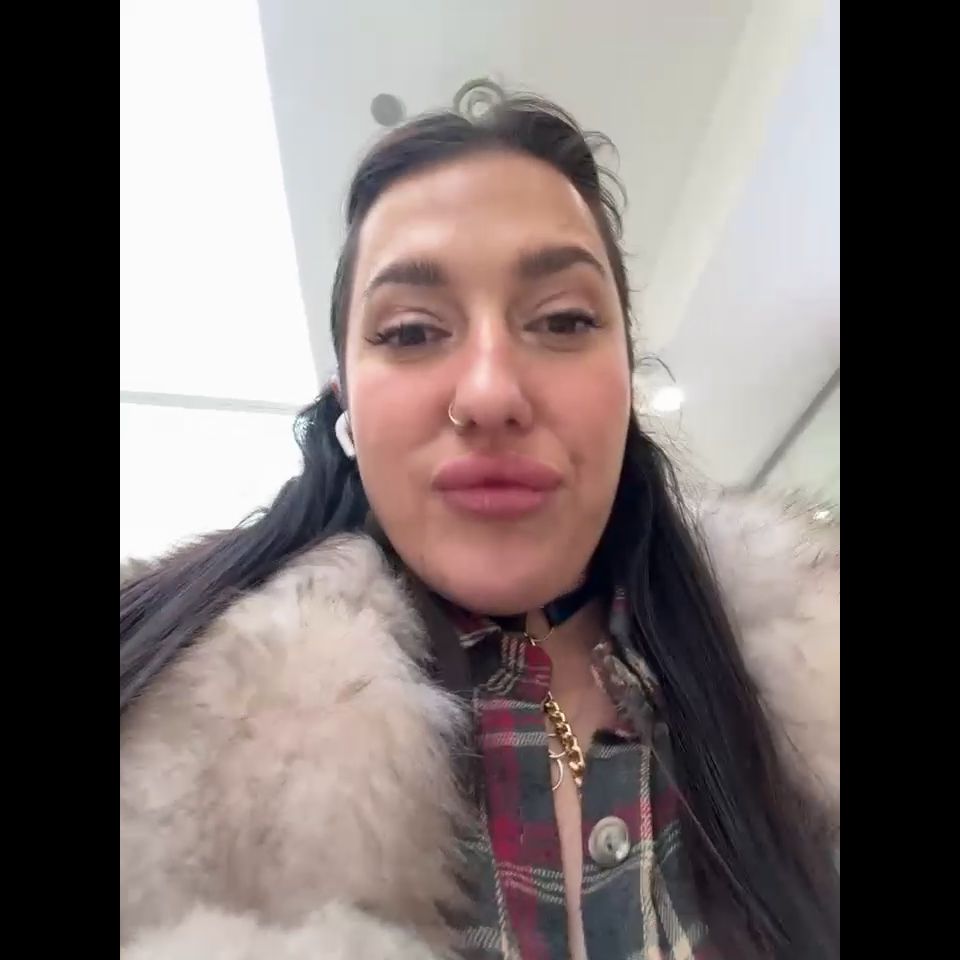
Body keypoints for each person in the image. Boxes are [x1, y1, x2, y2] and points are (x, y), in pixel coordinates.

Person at [120, 97, 839, 960]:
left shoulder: (804, 686)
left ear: (625, 381)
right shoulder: (148, 709)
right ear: (345, 402)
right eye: (411, 331)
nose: (492, 393)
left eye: (564, 320)